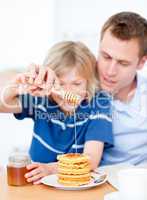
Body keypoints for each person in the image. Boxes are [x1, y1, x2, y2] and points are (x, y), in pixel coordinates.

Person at [0, 41, 113, 184]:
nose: (68, 91)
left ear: (89, 82)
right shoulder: (41, 100)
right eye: (60, 83)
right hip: (36, 184)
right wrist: (15, 87)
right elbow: (2, 106)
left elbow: (91, 159)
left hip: (77, 185)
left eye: (76, 84)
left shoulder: (99, 103)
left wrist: (51, 169)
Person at [97, 11, 147, 166]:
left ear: (141, 63)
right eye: (106, 57)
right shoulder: (76, 83)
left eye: (123, 63)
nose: (110, 71)